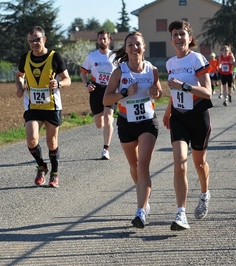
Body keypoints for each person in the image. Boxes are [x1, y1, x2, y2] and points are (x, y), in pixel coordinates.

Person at [103, 31, 163, 229]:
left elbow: (158, 92)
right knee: (134, 166)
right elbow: (106, 99)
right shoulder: (119, 72)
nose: (134, 48)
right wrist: (123, 92)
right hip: (126, 122)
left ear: (143, 47)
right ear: (126, 48)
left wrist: (157, 92)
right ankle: (144, 189)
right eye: (130, 45)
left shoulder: (152, 70)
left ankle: (141, 211)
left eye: (137, 44)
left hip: (147, 122)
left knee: (143, 166)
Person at [163, 20, 213, 230]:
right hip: (179, 117)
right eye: (175, 34)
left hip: (199, 116)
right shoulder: (170, 63)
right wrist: (167, 112)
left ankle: (204, 194)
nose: (178, 38)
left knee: (199, 164)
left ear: (189, 38)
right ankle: (181, 213)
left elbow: (208, 91)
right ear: (171, 38)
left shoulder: (197, 59)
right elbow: (174, 93)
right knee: (180, 162)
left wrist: (184, 85)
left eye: (182, 34)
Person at [15, 26, 71, 188]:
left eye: (37, 40)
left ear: (44, 40)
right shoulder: (25, 58)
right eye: (31, 41)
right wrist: (19, 87)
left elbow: (67, 79)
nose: (34, 43)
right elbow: (19, 75)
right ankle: (41, 166)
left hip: (52, 107)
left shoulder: (55, 57)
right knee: (32, 140)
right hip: (33, 106)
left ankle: (54, 173)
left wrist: (59, 83)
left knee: (52, 143)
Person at [80, 30, 117, 160]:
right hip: (96, 90)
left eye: (104, 39)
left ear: (109, 40)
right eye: (100, 39)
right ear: (97, 40)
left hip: (110, 90)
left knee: (107, 118)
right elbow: (83, 72)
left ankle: (106, 149)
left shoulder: (115, 56)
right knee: (99, 124)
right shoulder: (92, 56)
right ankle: (108, 124)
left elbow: (123, 72)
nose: (102, 41)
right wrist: (87, 84)